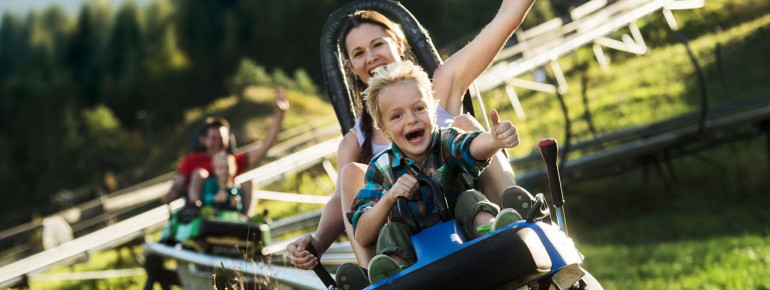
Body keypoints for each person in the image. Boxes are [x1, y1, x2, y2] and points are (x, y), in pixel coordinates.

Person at [288, 0, 535, 271]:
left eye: (377, 44)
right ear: (350, 66)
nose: (371, 57)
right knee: (350, 173)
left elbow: (506, 18)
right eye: (359, 53)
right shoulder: (356, 142)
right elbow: (342, 203)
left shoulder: (438, 88)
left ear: (398, 44)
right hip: (409, 235)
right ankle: (380, 273)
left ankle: (510, 222)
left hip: (467, 205)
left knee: (464, 123)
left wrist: (494, 139)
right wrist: (316, 244)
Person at [351, 61, 523, 283]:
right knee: (390, 231)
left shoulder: (445, 140)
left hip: (466, 237)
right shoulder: (381, 167)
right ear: (384, 130)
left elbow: (470, 146)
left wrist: (494, 140)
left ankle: (493, 230)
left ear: (433, 110)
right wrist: (389, 197)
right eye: (397, 116)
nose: (411, 119)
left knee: (471, 198)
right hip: (416, 260)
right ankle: (393, 271)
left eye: (419, 108)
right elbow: (362, 233)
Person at [160, 87, 289, 216]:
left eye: (221, 138)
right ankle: (197, 209)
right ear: (204, 140)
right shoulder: (192, 159)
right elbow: (179, 183)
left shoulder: (232, 161)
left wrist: (280, 114)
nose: (217, 142)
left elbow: (266, 145)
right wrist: (171, 193)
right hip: (203, 209)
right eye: (213, 138)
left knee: (248, 182)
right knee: (199, 173)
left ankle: (245, 218)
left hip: (228, 208)